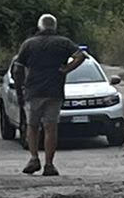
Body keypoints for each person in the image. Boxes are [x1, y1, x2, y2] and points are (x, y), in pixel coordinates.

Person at [11, 13, 84, 177]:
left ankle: (34, 158)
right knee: (51, 128)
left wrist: (19, 90)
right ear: (54, 27)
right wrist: (66, 69)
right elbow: (80, 56)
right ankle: (49, 164)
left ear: (40, 26)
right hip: (54, 91)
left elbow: (18, 69)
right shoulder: (63, 43)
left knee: (32, 126)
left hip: (33, 91)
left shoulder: (29, 44)